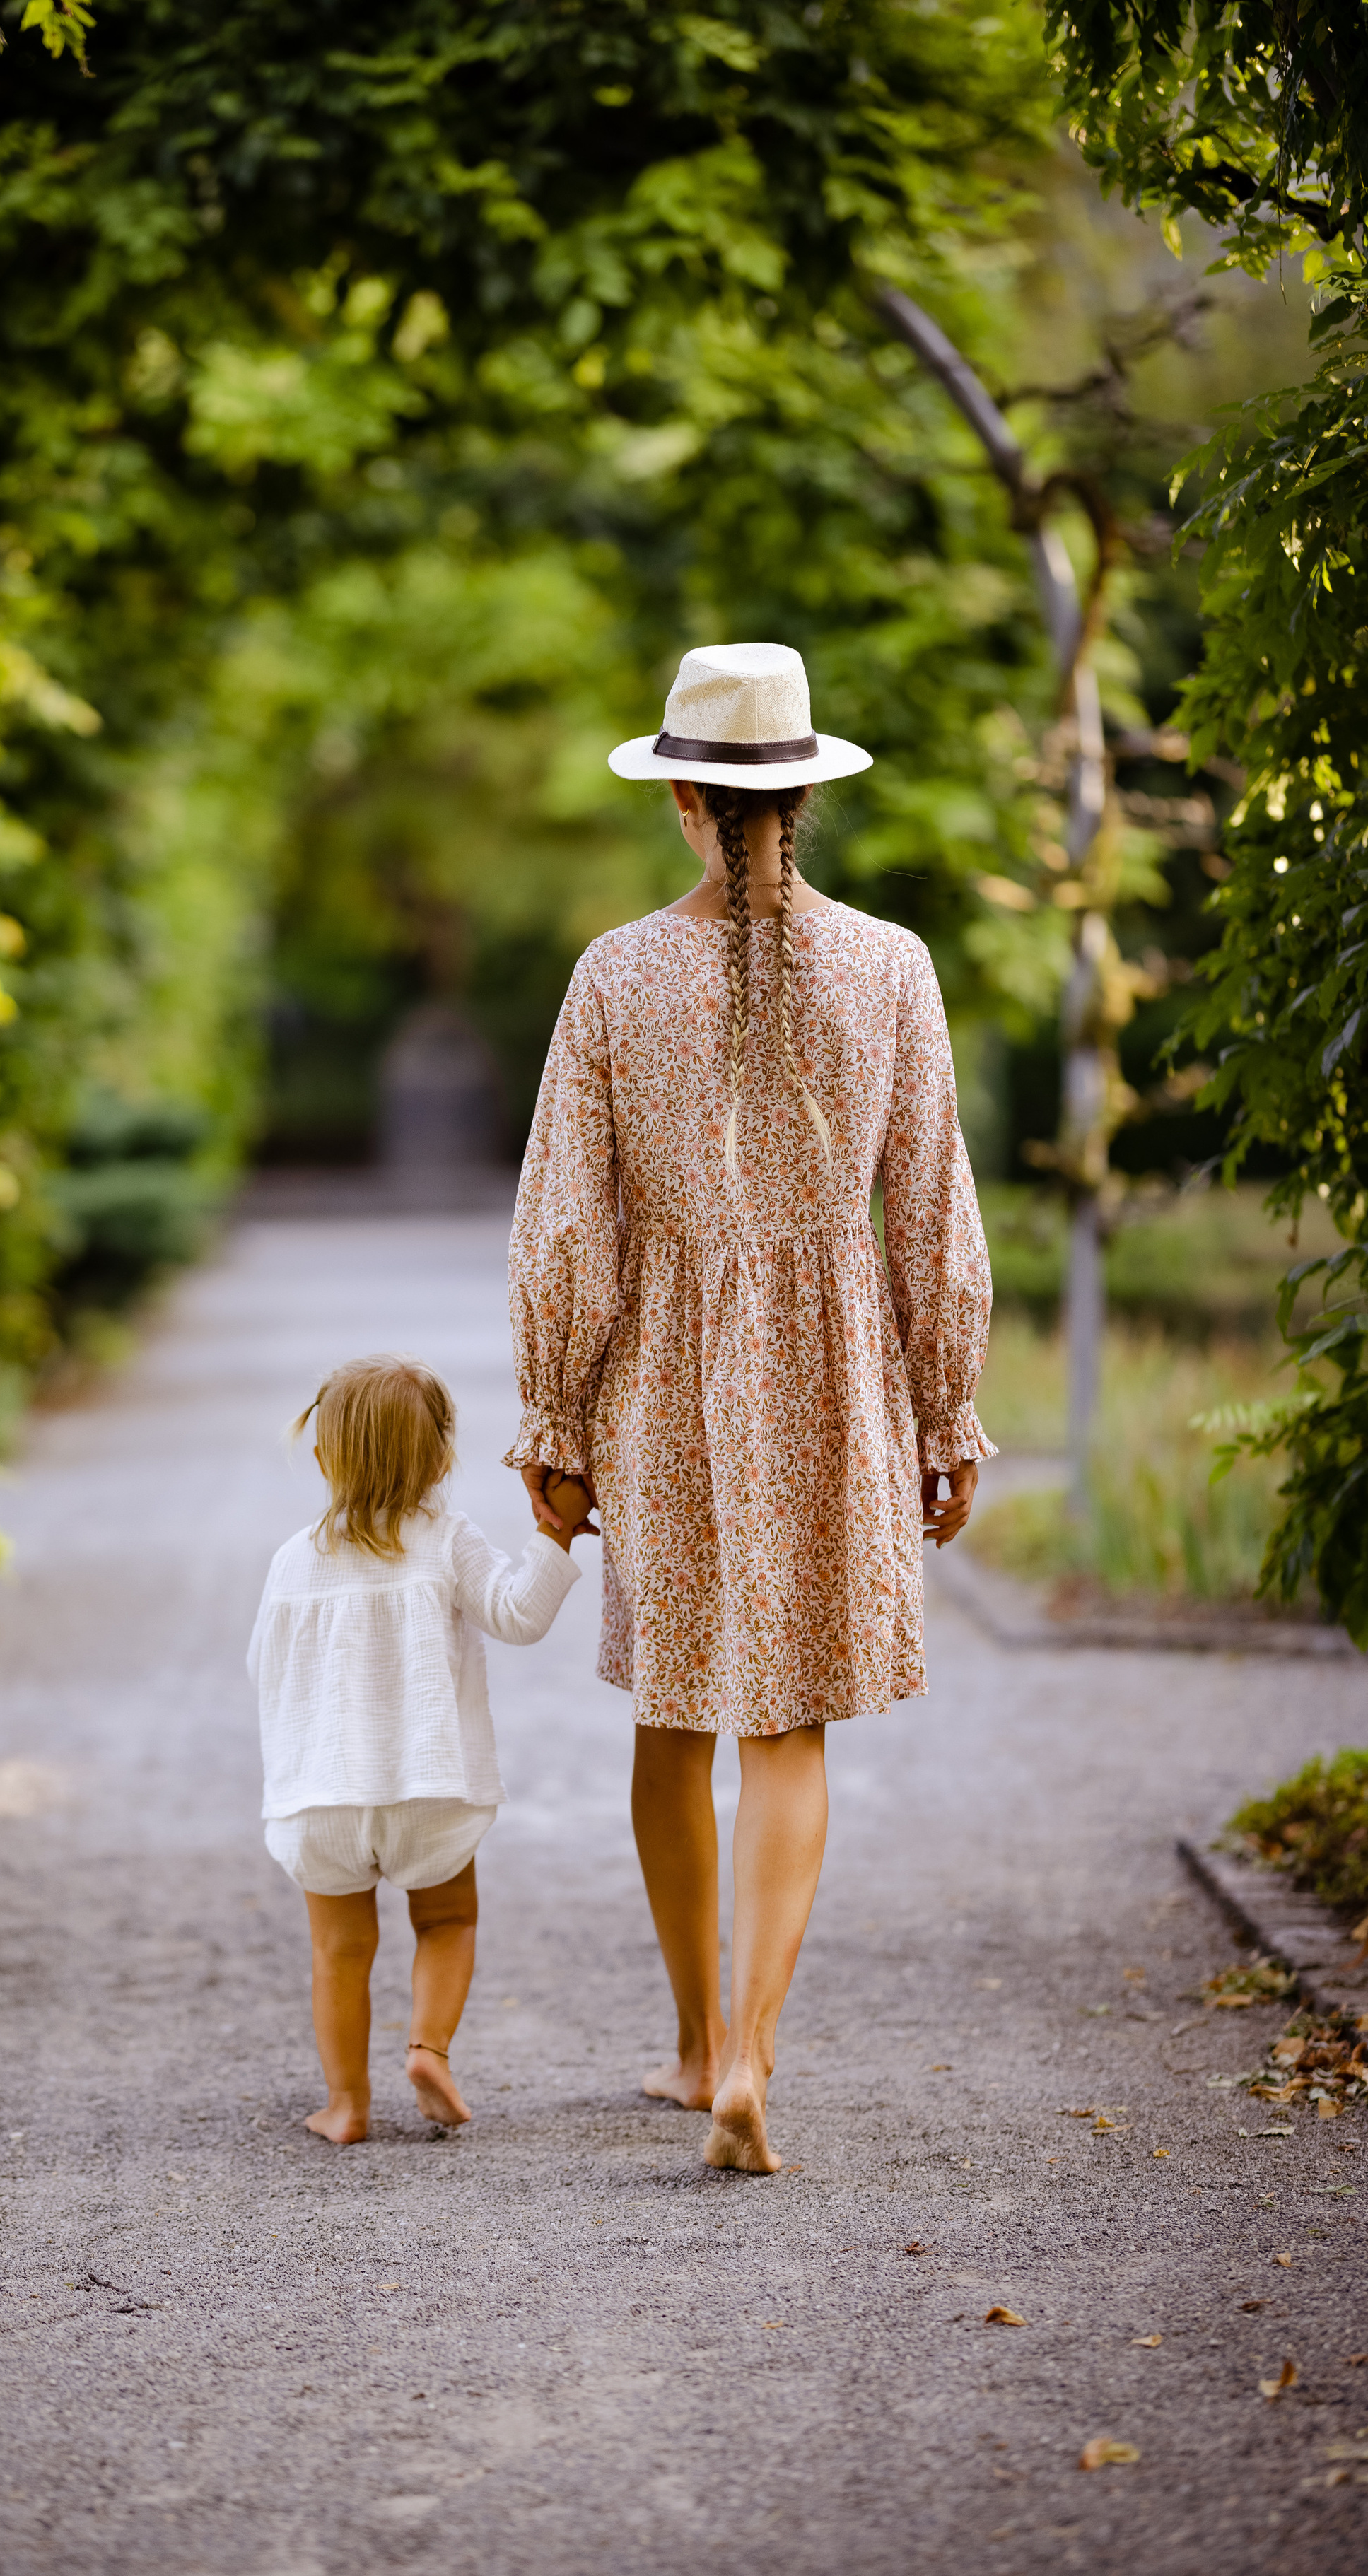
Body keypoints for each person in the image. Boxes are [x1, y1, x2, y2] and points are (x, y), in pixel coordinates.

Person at [506, 641, 995, 2174]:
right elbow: (931, 1215)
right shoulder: (893, 967)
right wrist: (945, 1413)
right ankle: (757, 2054)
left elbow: (564, 1228)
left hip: (658, 1372)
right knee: (787, 1727)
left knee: (672, 1712)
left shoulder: (610, 976)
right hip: (836, 1373)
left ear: (679, 803)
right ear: (800, 798)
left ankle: (695, 2042)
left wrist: (553, 1422)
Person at [249, 1354, 592, 2145]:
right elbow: (518, 1616)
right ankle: (428, 2049)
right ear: (441, 1459)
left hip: (324, 1796)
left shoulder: (293, 1559)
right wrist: (556, 1529)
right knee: (446, 1924)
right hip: (429, 1790)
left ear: (323, 1458)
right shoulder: (447, 1541)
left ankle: (346, 2105)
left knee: (338, 1949)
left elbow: (263, 1667)